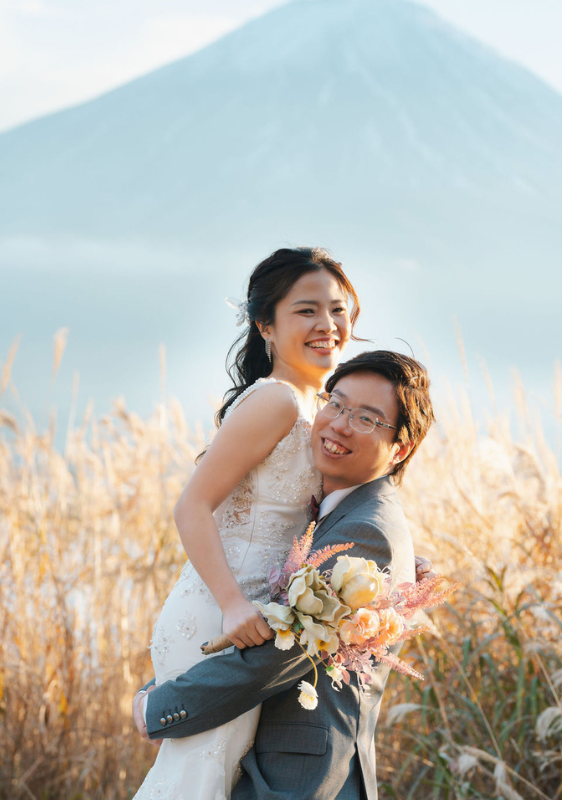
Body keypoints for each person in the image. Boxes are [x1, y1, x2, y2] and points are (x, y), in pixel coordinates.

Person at [134, 350, 434, 800]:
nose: (339, 424)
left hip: (298, 780)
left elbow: (277, 655)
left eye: (368, 419)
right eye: (336, 403)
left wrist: (157, 706)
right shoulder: (333, 514)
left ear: (401, 448)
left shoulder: (367, 531)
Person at [131, 247, 360, 800]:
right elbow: (191, 506)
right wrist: (233, 603)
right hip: (221, 614)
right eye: (306, 311)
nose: (327, 325)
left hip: (259, 620)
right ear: (266, 326)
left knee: (217, 778)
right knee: (198, 779)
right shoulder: (276, 401)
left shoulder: (317, 405)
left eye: (337, 309)